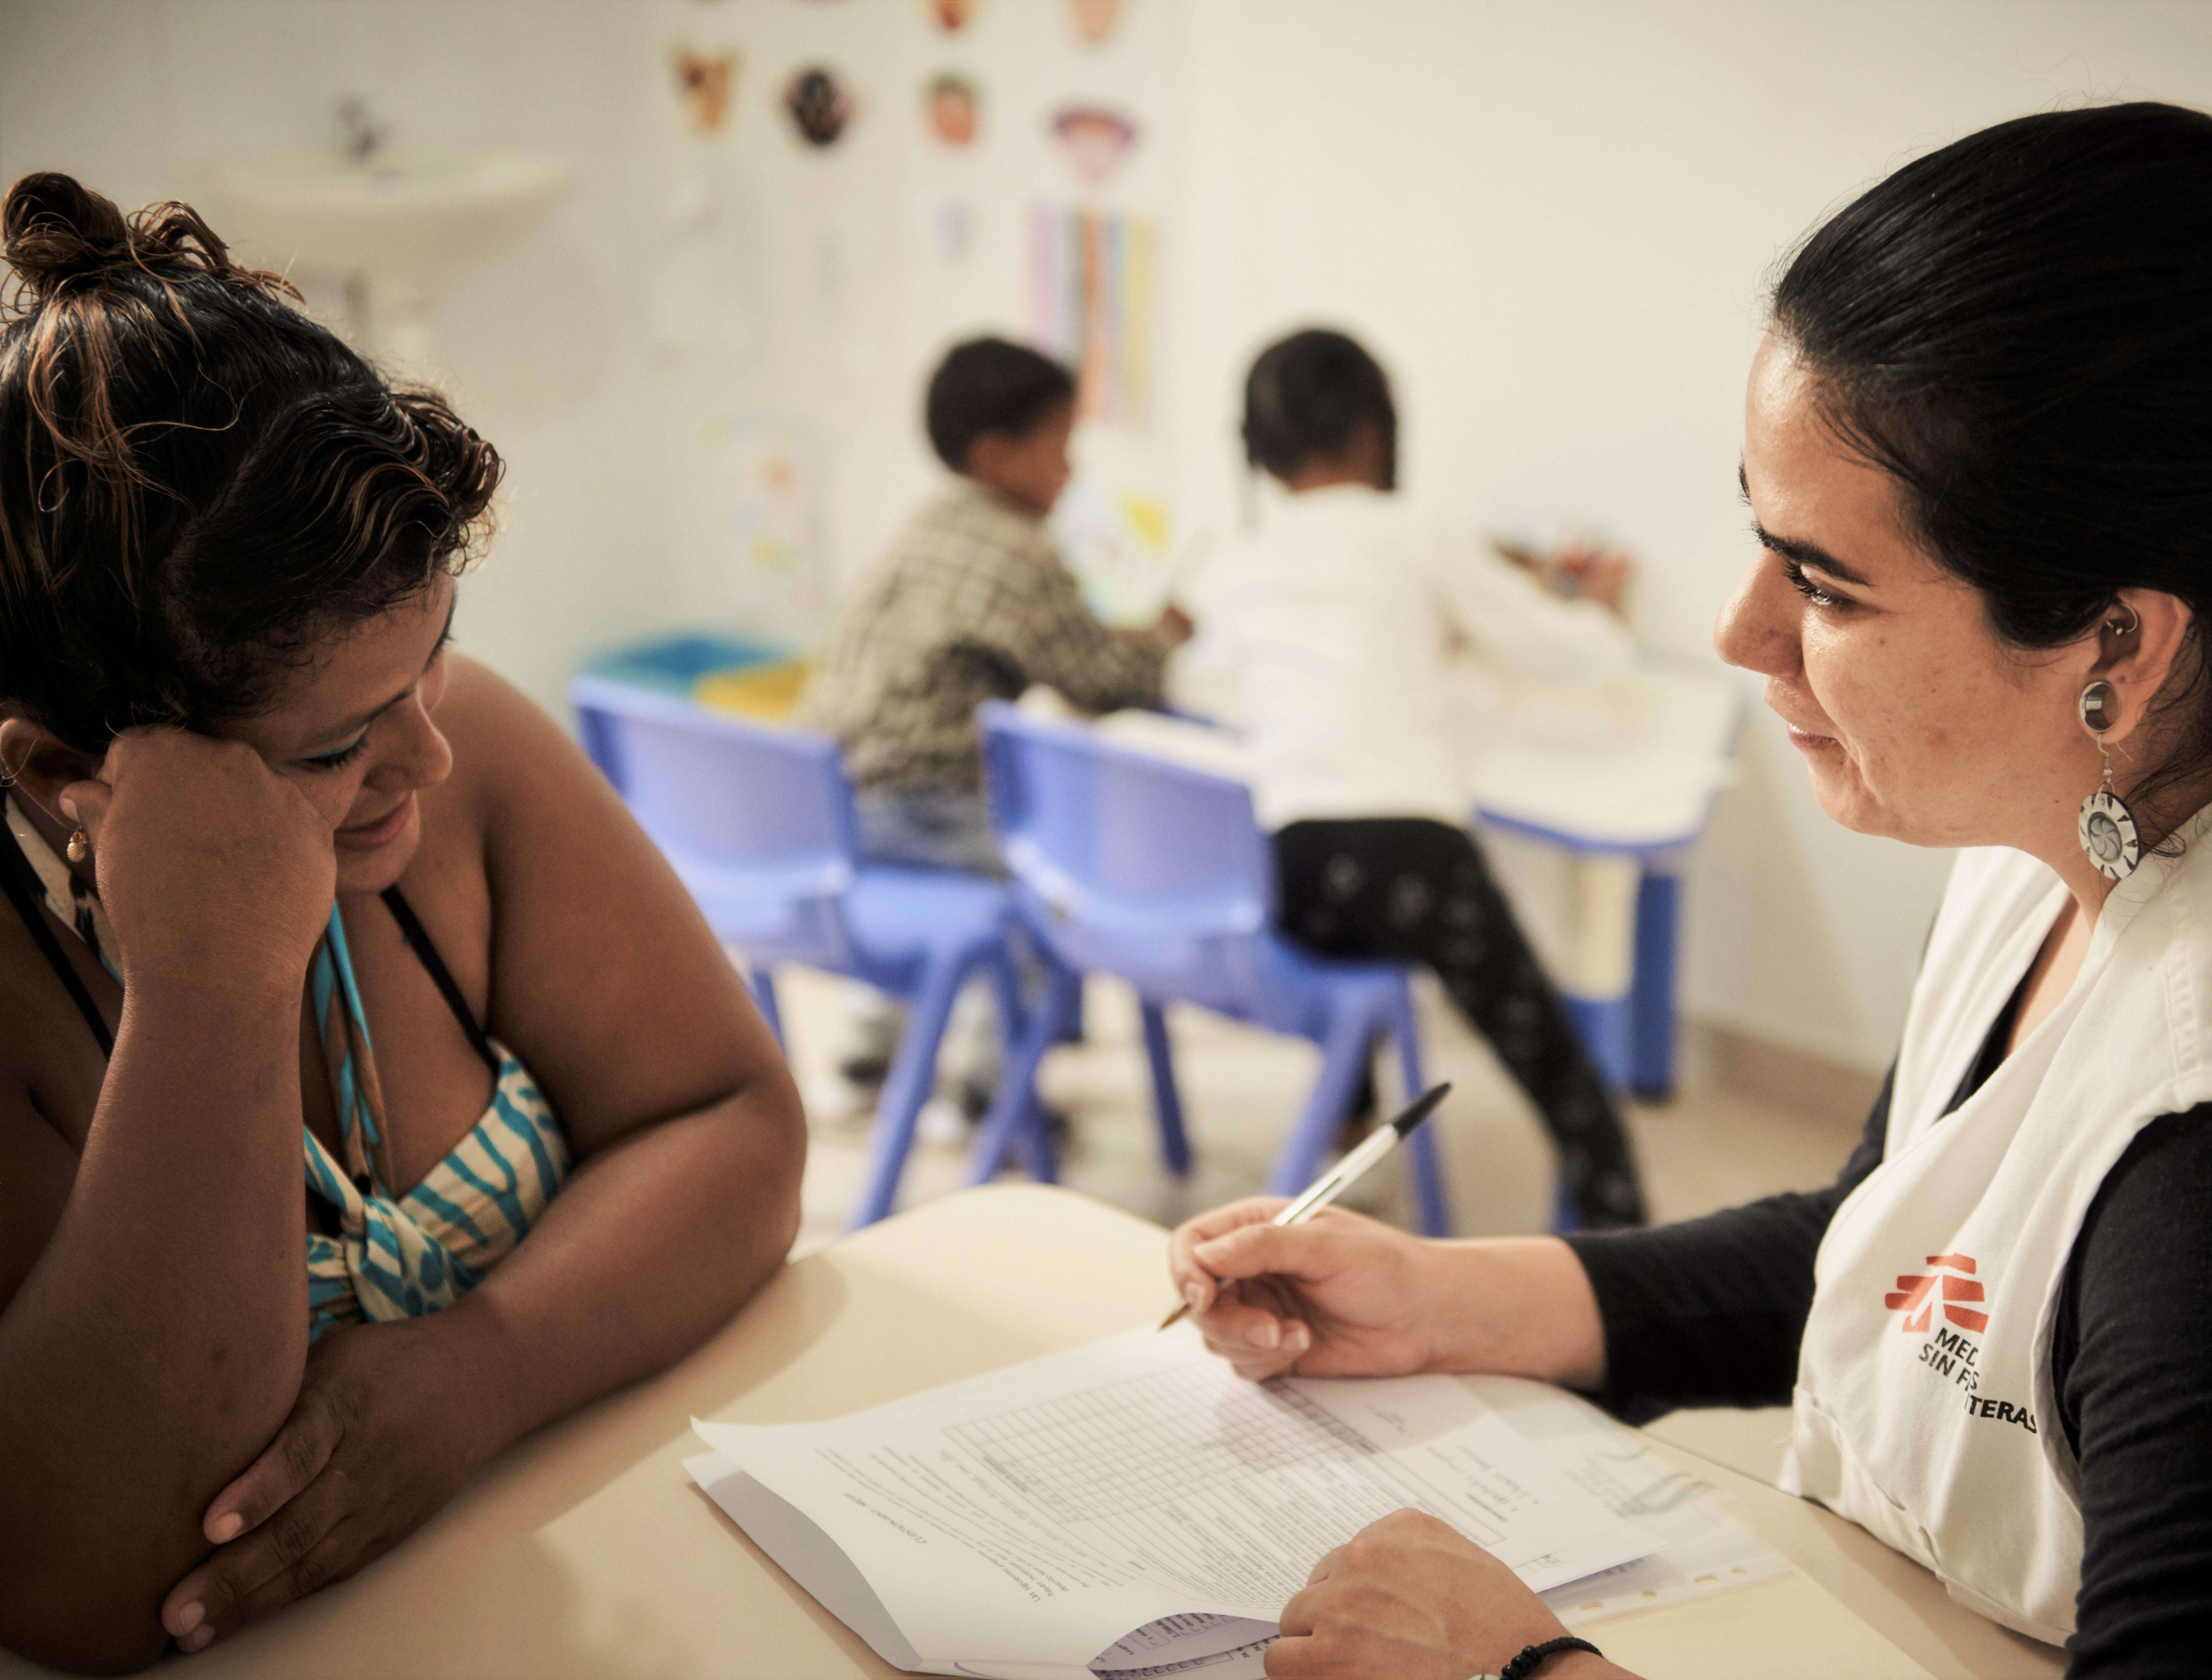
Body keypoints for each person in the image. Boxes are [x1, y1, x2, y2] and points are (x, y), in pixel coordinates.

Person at [1166, 105, 2212, 1680]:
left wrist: (1526, 1673)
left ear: (2113, 647)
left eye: (1818, 580)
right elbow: (1915, 1258)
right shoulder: (2101, 818)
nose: (1742, 633)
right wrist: (1442, 1300)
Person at [0, 175, 807, 1673]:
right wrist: (209, 992)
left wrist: (480, 1372)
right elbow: (79, 1585)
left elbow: (734, 1119)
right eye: (331, 748)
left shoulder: (457, 750)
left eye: (434, 664)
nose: (429, 760)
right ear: (63, 775)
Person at [1192, 328, 1648, 1228]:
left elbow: (1204, 682)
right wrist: (1600, 618)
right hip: (1411, 858)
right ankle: (1615, 1223)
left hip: (1285, 870)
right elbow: (1566, 657)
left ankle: (1350, 1131)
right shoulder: (1418, 532)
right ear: (1375, 430)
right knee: (1552, 1063)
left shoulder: (1236, 558)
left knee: (1352, 936)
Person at [799, 336, 1190, 874]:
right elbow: (1109, 681)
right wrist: (1164, 635)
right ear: (995, 457)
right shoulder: (1018, 549)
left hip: (823, 800)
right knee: (1112, 858)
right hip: (917, 814)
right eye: (1060, 448)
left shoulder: (930, 521)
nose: (1071, 470)